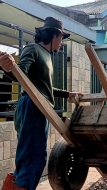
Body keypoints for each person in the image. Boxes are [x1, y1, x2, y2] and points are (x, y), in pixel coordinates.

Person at [0, 17, 83, 190]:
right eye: (61, 38)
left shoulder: (47, 56)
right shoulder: (33, 48)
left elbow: (46, 88)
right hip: (32, 106)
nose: (61, 43)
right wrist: (8, 67)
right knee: (32, 157)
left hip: (40, 107)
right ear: (54, 35)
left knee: (32, 156)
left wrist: (68, 94)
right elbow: (20, 73)